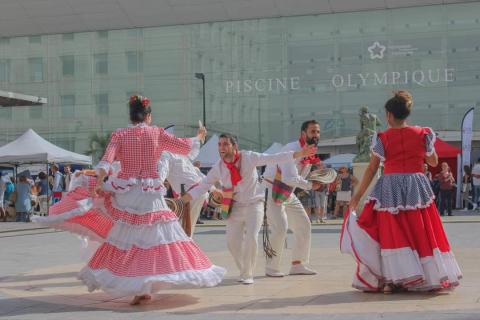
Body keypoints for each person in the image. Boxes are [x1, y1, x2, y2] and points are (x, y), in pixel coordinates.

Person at [34, 94, 226, 305]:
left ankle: (141, 288)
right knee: (155, 240)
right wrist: (199, 137)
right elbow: (184, 147)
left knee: (129, 241)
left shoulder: (120, 135)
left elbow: (106, 161)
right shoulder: (157, 134)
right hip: (150, 193)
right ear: (148, 116)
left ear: (131, 116)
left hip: (126, 192)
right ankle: (144, 286)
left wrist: (98, 184)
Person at [342, 90, 461, 293]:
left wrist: (358, 195)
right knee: (419, 227)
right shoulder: (423, 134)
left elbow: (371, 169)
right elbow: (433, 162)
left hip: (390, 185)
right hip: (416, 183)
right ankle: (425, 275)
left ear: (389, 115)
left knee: (392, 231)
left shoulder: (382, 138)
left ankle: (392, 279)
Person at [182, 132, 317, 285]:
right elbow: (202, 187)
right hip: (235, 206)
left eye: (225, 144)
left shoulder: (248, 157)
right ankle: (244, 269)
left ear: (235, 146)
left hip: (255, 204)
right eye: (219, 144)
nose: (221, 148)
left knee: (252, 238)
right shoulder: (218, 167)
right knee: (232, 242)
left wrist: (299, 154)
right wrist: (181, 201)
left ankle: (247, 273)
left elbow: (274, 158)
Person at [261, 120, 323, 278]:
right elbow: (289, 177)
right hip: (271, 188)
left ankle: (297, 264)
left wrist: (320, 179)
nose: (316, 135)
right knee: (280, 228)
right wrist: (310, 185)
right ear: (303, 134)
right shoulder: (291, 148)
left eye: (318, 132)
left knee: (304, 224)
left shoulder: (310, 151)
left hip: (287, 191)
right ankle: (271, 267)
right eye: (313, 132)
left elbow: (295, 178)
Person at [158, 151, 210, 235]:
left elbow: (163, 171)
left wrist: (156, 186)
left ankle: (183, 246)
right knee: (184, 229)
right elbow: (198, 173)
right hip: (197, 191)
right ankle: (183, 246)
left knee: (182, 230)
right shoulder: (180, 155)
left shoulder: (165, 154)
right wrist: (214, 190)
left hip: (190, 193)